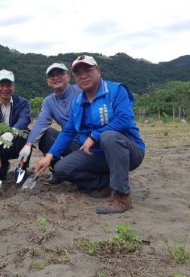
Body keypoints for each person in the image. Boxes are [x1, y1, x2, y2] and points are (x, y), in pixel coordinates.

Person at [37, 56, 145, 214]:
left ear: (98, 71)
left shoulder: (116, 90)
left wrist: (94, 136)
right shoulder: (78, 102)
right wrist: (50, 155)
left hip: (127, 152)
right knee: (61, 170)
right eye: (78, 73)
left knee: (109, 136)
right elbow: (68, 130)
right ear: (75, 78)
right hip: (96, 154)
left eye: (88, 70)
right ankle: (105, 182)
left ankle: (122, 196)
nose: (83, 75)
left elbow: (125, 119)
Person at [17, 63, 82, 180]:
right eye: (52, 75)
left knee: (80, 178)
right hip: (69, 142)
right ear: (48, 81)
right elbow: (41, 123)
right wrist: (28, 144)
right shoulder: (49, 101)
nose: (56, 78)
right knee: (46, 134)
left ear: (68, 77)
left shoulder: (80, 91)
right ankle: (56, 171)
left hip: (87, 142)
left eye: (60, 74)